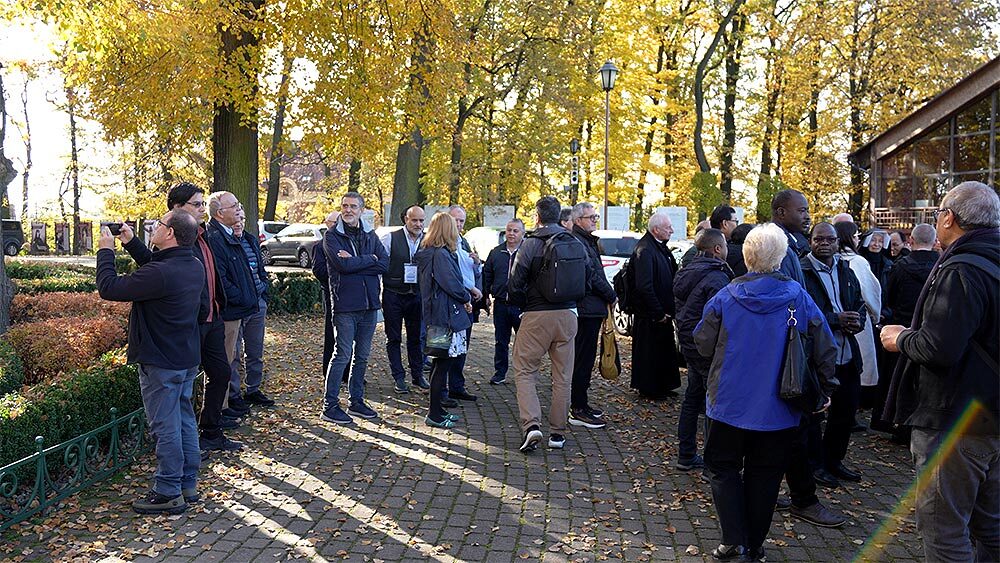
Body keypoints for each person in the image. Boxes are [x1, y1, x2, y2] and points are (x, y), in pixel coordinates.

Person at [694, 223, 837, 563]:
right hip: (779, 407)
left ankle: (733, 539)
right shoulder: (798, 296)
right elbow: (825, 346)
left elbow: (702, 342)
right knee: (766, 476)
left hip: (728, 402)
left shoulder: (726, 296)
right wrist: (826, 387)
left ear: (746, 257)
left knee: (723, 468)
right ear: (781, 257)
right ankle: (754, 545)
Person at [881, 182, 999, 563]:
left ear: (949, 218)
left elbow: (939, 348)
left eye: (937, 213)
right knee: (992, 527)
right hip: (991, 420)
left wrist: (901, 339)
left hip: (955, 422)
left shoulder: (962, 269)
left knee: (943, 530)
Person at [119, 183, 243, 453]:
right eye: (197, 204)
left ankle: (210, 432)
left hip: (214, 317)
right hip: (192, 323)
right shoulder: (174, 238)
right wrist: (130, 243)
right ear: (177, 208)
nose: (202, 209)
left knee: (220, 373)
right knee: (182, 391)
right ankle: (187, 449)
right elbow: (154, 267)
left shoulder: (204, 234)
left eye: (202, 204)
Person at [96, 210, 205, 514]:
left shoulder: (162, 273)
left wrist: (106, 251)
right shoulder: (192, 264)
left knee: (165, 426)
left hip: (161, 361)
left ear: (170, 233)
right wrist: (132, 243)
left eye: (160, 224)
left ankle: (168, 490)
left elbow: (109, 288)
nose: (155, 226)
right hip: (184, 357)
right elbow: (157, 269)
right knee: (184, 420)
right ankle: (187, 483)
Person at [769, 189, 845, 527]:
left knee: (790, 432)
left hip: (791, 349)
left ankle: (787, 493)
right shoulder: (776, 246)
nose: (807, 215)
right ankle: (803, 498)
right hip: (788, 352)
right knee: (795, 430)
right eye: (801, 210)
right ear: (781, 212)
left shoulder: (790, 244)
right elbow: (789, 302)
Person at [509, 196, 590, 453]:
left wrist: (523, 305)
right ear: (561, 216)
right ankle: (558, 433)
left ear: (537, 217)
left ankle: (532, 425)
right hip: (568, 315)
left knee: (524, 370)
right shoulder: (575, 243)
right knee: (563, 377)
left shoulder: (530, 244)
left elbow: (514, 283)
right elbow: (588, 278)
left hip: (536, 315)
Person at [801, 222, 866, 488]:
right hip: (818, 357)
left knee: (846, 412)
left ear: (838, 241)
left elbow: (859, 304)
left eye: (830, 239)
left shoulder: (846, 269)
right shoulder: (802, 271)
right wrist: (835, 319)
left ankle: (834, 460)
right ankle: (815, 466)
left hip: (847, 352)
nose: (825, 244)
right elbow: (803, 313)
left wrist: (858, 321)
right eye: (819, 239)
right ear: (810, 241)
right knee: (815, 416)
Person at [320, 192, 389, 424]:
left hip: (370, 305)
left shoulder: (370, 234)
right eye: (345, 206)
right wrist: (370, 259)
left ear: (361, 210)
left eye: (353, 206)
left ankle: (356, 401)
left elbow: (384, 263)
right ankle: (329, 405)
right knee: (342, 355)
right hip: (345, 306)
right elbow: (342, 265)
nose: (348, 210)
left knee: (362, 356)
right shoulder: (331, 236)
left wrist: (358, 261)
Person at [207, 192, 274, 410]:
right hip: (235, 308)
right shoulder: (216, 238)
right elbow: (222, 279)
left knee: (255, 351)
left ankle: (252, 390)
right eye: (234, 206)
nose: (238, 212)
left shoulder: (249, 240)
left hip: (256, 303)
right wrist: (243, 297)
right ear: (220, 213)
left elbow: (258, 271)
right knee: (231, 355)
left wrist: (262, 290)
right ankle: (230, 400)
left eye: (240, 209)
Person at [673, 228, 733, 471]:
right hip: (706, 347)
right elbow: (720, 318)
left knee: (693, 396)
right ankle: (711, 464)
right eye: (725, 245)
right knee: (712, 402)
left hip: (689, 342)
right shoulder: (717, 278)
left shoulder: (687, 271)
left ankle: (686, 454)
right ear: (717, 249)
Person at [872, 223, 937, 434]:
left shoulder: (900, 267)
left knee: (895, 378)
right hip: (929, 331)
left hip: (900, 331)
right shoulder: (942, 267)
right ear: (934, 241)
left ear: (911, 241)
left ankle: (892, 422)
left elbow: (888, 297)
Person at [413, 212, 473, 428]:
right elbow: (452, 284)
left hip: (438, 316)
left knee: (440, 364)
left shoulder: (431, 252)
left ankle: (437, 410)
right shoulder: (440, 254)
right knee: (442, 364)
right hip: (444, 318)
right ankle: (434, 413)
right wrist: (466, 297)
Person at [568, 202, 617, 429]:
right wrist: (611, 295)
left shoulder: (587, 240)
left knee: (585, 359)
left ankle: (582, 404)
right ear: (578, 220)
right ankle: (577, 408)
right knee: (582, 359)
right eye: (591, 217)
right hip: (586, 310)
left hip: (591, 309)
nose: (595, 220)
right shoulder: (579, 242)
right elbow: (592, 275)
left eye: (595, 216)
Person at [629, 210, 681, 398]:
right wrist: (658, 312)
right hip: (650, 314)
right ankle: (649, 388)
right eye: (668, 228)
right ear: (656, 230)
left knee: (663, 350)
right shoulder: (645, 250)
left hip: (662, 311)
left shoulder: (659, 247)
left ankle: (664, 385)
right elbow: (644, 286)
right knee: (649, 352)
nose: (671, 231)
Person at [833, 222, 882, 410]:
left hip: (835, 319)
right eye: (855, 236)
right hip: (857, 319)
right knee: (859, 367)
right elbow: (870, 292)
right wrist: (875, 315)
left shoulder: (829, 259)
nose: (858, 239)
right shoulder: (858, 262)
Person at [380, 206, 429, 394]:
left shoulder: (428, 240)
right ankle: (398, 377)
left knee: (416, 337)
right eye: (414, 220)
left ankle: (418, 375)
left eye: (421, 220)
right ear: (405, 219)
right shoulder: (390, 238)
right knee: (393, 338)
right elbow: (380, 265)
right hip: (393, 294)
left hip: (417, 295)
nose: (418, 224)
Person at [444, 205, 483, 404]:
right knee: (447, 347)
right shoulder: (444, 244)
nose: (458, 224)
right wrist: (472, 289)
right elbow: (454, 275)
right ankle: (442, 390)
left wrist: (476, 263)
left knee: (462, 346)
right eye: (455, 220)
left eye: (461, 221)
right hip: (452, 302)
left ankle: (456, 386)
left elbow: (470, 271)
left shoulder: (463, 242)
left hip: (466, 300)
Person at [482, 218, 525, 385]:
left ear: (522, 233)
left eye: (515, 231)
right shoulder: (496, 252)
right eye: (509, 230)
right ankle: (500, 373)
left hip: (522, 306)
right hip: (501, 304)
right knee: (501, 341)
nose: (511, 234)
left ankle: (523, 374)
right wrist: (486, 295)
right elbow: (487, 275)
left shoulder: (528, 252)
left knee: (523, 342)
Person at [312, 211, 346, 382]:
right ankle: (330, 373)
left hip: (350, 294)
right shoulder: (320, 246)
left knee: (349, 337)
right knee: (332, 334)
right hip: (331, 294)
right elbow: (318, 270)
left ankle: (348, 373)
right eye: (333, 222)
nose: (336, 226)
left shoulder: (347, 242)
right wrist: (339, 270)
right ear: (327, 224)